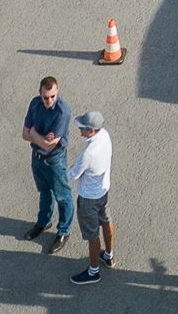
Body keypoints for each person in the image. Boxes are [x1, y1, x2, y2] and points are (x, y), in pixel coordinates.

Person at [19, 74, 74, 251]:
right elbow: (24, 134)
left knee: (62, 196)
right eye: (45, 97)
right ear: (40, 93)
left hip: (54, 160)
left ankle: (64, 230)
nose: (49, 100)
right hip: (37, 158)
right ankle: (43, 222)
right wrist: (41, 138)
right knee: (44, 192)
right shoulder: (35, 104)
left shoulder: (62, 112)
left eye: (52, 96)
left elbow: (49, 146)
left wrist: (34, 134)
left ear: (57, 92)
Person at [65, 109, 114, 285]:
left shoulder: (88, 153)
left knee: (92, 236)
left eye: (82, 128)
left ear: (91, 130)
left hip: (88, 200)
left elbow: (73, 175)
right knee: (106, 221)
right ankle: (108, 255)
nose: (80, 130)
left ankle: (93, 272)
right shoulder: (105, 135)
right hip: (103, 193)